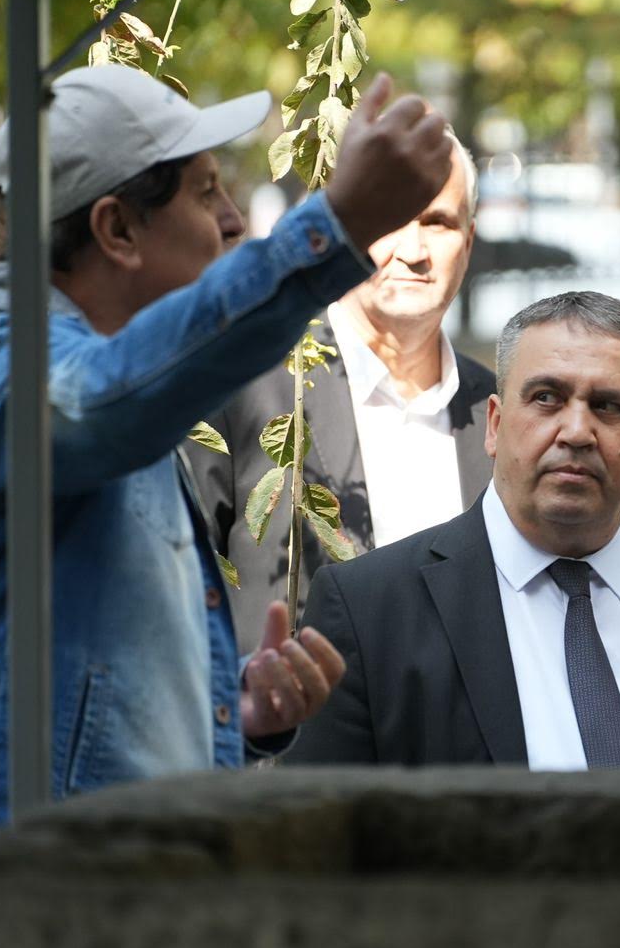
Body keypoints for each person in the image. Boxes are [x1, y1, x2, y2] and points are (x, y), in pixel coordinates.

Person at [0, 65, 452, 826]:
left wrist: (224, 712)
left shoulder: (88, 378)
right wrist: (335, 227)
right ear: (116, 231)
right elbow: (101, 402)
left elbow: (67, 695)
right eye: (205, 193)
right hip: (8, 887)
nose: (233, 220)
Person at [287, 292, 620, 772]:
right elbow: (319, 819)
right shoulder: (371, 611)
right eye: (547, 398)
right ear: (495, 424)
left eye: (609, 406)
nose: (577, 432)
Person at [186, 131, 495, 651]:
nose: (413, 251)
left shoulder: (500, 409)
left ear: (468, 238)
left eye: (437, 222)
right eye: (391, 218)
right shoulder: (247, 384)